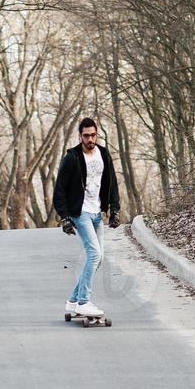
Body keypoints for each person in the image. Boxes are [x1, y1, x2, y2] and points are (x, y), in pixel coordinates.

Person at [52, 117, 120, 319]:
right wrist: (64, 217)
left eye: (93, 135)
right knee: (94, 255)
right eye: (86, 135)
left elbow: (112, 183)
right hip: (80, 213)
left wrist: (114, 210)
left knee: (98, 258)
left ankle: (73, 300)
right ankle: (84, 301)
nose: (90, 139)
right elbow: (59, 190)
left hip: (97, 212)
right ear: (80, 136)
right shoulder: (72, 158)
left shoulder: (103, 154)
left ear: (97, 134)